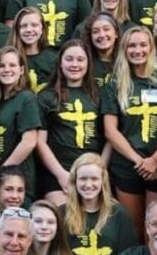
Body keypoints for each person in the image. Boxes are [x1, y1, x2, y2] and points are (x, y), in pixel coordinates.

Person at [101, 24, 157, 232]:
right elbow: (110, 130)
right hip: (128, 166)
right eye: (131, 46)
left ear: (151, 47)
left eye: (143, 45)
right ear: (124, 50)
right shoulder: (116, 84)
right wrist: (140, 162)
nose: (138, 50)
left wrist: (155, 159)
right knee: (134, 229)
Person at [61, 152, 139, 255]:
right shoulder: (62, 213)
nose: (88, 184)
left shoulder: (118, 213)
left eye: (94, 179)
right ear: (74, 181)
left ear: (103, 181)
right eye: (83, 179)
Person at [36, 41, 105, 195]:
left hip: (93, 173)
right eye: (69, 59)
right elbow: (40, 142)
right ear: (60, 63)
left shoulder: (100, 96)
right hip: (58, 172)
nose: (75, 64)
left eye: (80, 59)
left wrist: (101, 170)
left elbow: (109, 137)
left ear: (88, 63)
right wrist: (60, 174)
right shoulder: (47, 96)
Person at [0, 46, 42, 197]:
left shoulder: (26, 98)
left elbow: (29, 142)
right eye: (1, 65)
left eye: (12, 65)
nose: (7, 69)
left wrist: (2, 173)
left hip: (18, 181)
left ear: (21, 70)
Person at [7, 6, 58, 92]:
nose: (29, 30)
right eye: (23, 26)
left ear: (42, 28)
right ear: (17, 30)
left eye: (34, 25)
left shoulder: (53, 59)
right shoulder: (7, 59)